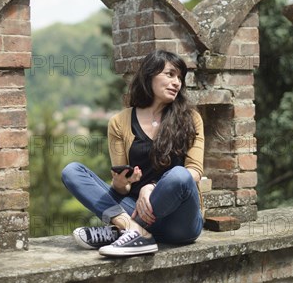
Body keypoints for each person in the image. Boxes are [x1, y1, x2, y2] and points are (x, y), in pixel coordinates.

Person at [61, 50, 204, 257]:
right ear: (149, 75)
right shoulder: (119, 122)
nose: (177, 83)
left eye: (180, 77)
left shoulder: (191, 118)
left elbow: (195, 172)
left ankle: (119, 231)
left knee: (180, 175)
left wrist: (151, 187)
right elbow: (122, 188)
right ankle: (134, 231)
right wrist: (121, 183)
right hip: (135, 208)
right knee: (72, 171)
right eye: (170, 74)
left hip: (180, 222)